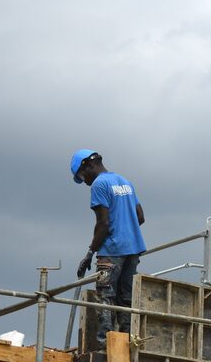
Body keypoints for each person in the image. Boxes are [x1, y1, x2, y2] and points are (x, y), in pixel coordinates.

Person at [70, 149, 147, 349]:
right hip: (132, 250)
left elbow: (102, 224)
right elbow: (140, 217)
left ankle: (105, 348)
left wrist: (89, 254)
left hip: (111, 252)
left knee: (105, 298)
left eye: (81, 175)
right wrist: (125, 232)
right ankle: (127, 346)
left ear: (88, 165)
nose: (84, 180)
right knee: (126, 300)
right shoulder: (125, 182)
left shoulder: (98, 185)